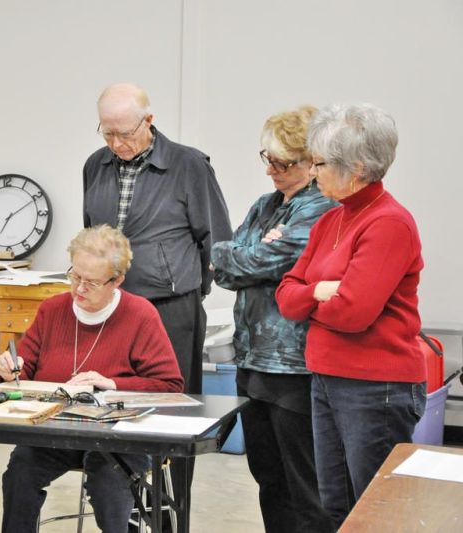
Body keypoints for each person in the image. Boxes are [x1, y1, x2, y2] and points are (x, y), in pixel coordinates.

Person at [82, 82, 231, 524]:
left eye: (124, 134)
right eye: (107, 134)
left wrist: (186, 288)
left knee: (172, 416)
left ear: (149, 121)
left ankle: (173, 514)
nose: (116, 144)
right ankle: (126, 505)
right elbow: (90, 237)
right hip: (113, 312)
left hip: (171, 310)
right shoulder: (95, 165)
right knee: (115, 411)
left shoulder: (188, 165)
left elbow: (216, 240)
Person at [276, 103, 426, 528]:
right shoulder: (332, 220)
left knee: (375, 511)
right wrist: (318, 294)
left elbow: (353, 313)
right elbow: (285, 296)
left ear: (356, 167)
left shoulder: (388, 223)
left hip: (376, 388)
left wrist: (310, 298)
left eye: (320, 164)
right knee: (337, 505)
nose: (312, 173)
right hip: (328, 378)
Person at [0, 225, 183, 533]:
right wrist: (9, 369)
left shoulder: (140, 314)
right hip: (56, 430)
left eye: (92, 282)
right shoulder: (52, 309)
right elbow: (23, 369)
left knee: (107, 475)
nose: (79, 288)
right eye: (75, 276)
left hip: (121, 437)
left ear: (117, 280)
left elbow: (169, 385)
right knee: (21, 469)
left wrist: (112, 383)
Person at [211, 105, 335, 533]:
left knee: (306, 484)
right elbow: (226, 267)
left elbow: (268, 258)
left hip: (294, 367)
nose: (272, 171)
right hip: (251, 360)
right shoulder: (265, 205)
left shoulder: (321, 208)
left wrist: (250, 255)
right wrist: (246, 256)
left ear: (311, 162)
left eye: (283, 163)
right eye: (268, 159)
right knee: (267, 477)